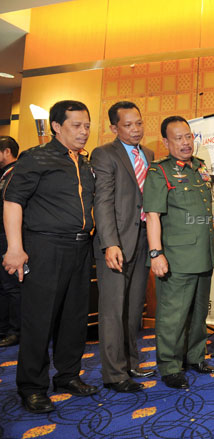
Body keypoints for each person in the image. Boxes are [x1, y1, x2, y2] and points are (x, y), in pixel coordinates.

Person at [2, 100, 98, 414]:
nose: (84, 132)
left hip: (81, 248)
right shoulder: (36, 158)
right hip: (45, 247)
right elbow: (13, 201)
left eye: (86, 125)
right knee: (39, 319)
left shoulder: (84, 162)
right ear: (56, 127)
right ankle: (32, 387)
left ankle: (68, 375)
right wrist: (15, 248)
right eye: (76, 126)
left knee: (74, 317)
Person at [143, 115, 214, 389]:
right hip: (176, 258)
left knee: (198, 313)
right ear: (166, 142)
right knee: (173, 315)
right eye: (178, 138)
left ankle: (195, 357)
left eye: (188, 137)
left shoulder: (199, 167)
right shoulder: (159, 172)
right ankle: (170, 366)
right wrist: (155, 254)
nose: (186, 143)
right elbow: (152, 216)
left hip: (204, 254)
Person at [91, 101, 156, 393]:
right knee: (113, 310)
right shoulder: (105, 154)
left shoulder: (149, 154)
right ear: (114, 127)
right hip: (116, 242)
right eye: (128, 125)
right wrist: (110, 243)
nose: (135, 129)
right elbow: (102, 202)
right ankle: (114, 374)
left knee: (133, 309)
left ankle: (131, 362)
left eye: (138, 123)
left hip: (143, 239)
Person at [0, 136, 20, 348]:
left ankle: (16, 331)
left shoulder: (16, 174)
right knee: (4, 286)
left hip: (9, 237)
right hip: (1, 236)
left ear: (6, 152)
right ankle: (4, 329)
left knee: (12, 286)